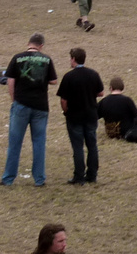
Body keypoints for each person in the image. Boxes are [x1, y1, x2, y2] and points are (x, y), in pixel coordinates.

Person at [1, 33, 58, 187]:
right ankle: (39, 179)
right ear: (41, 46)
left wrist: (14, 100)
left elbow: (10, 80)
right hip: (40, 106)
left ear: (28, 43)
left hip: (21, 104)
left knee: (15, 142)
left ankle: (8, 178)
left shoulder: (17, 58)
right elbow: (53, 80)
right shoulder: (46, 59)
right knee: (39, 142)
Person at [56, 47, 103, 186]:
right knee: (92, 145)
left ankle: (79, 176)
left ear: (74, 59)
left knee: (78, 147)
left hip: (75, 116)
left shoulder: (69, 77)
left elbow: (63, 100)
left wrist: (66, 112)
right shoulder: (93, 74)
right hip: (91, 114)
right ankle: (92, 174)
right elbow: (100, 93)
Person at [96, 77, 137, 142]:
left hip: (111, 133)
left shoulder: (103, 101)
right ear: (122, 87)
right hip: (127, 132)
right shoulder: (126, 100)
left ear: (111, 88)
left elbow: (94, 116)